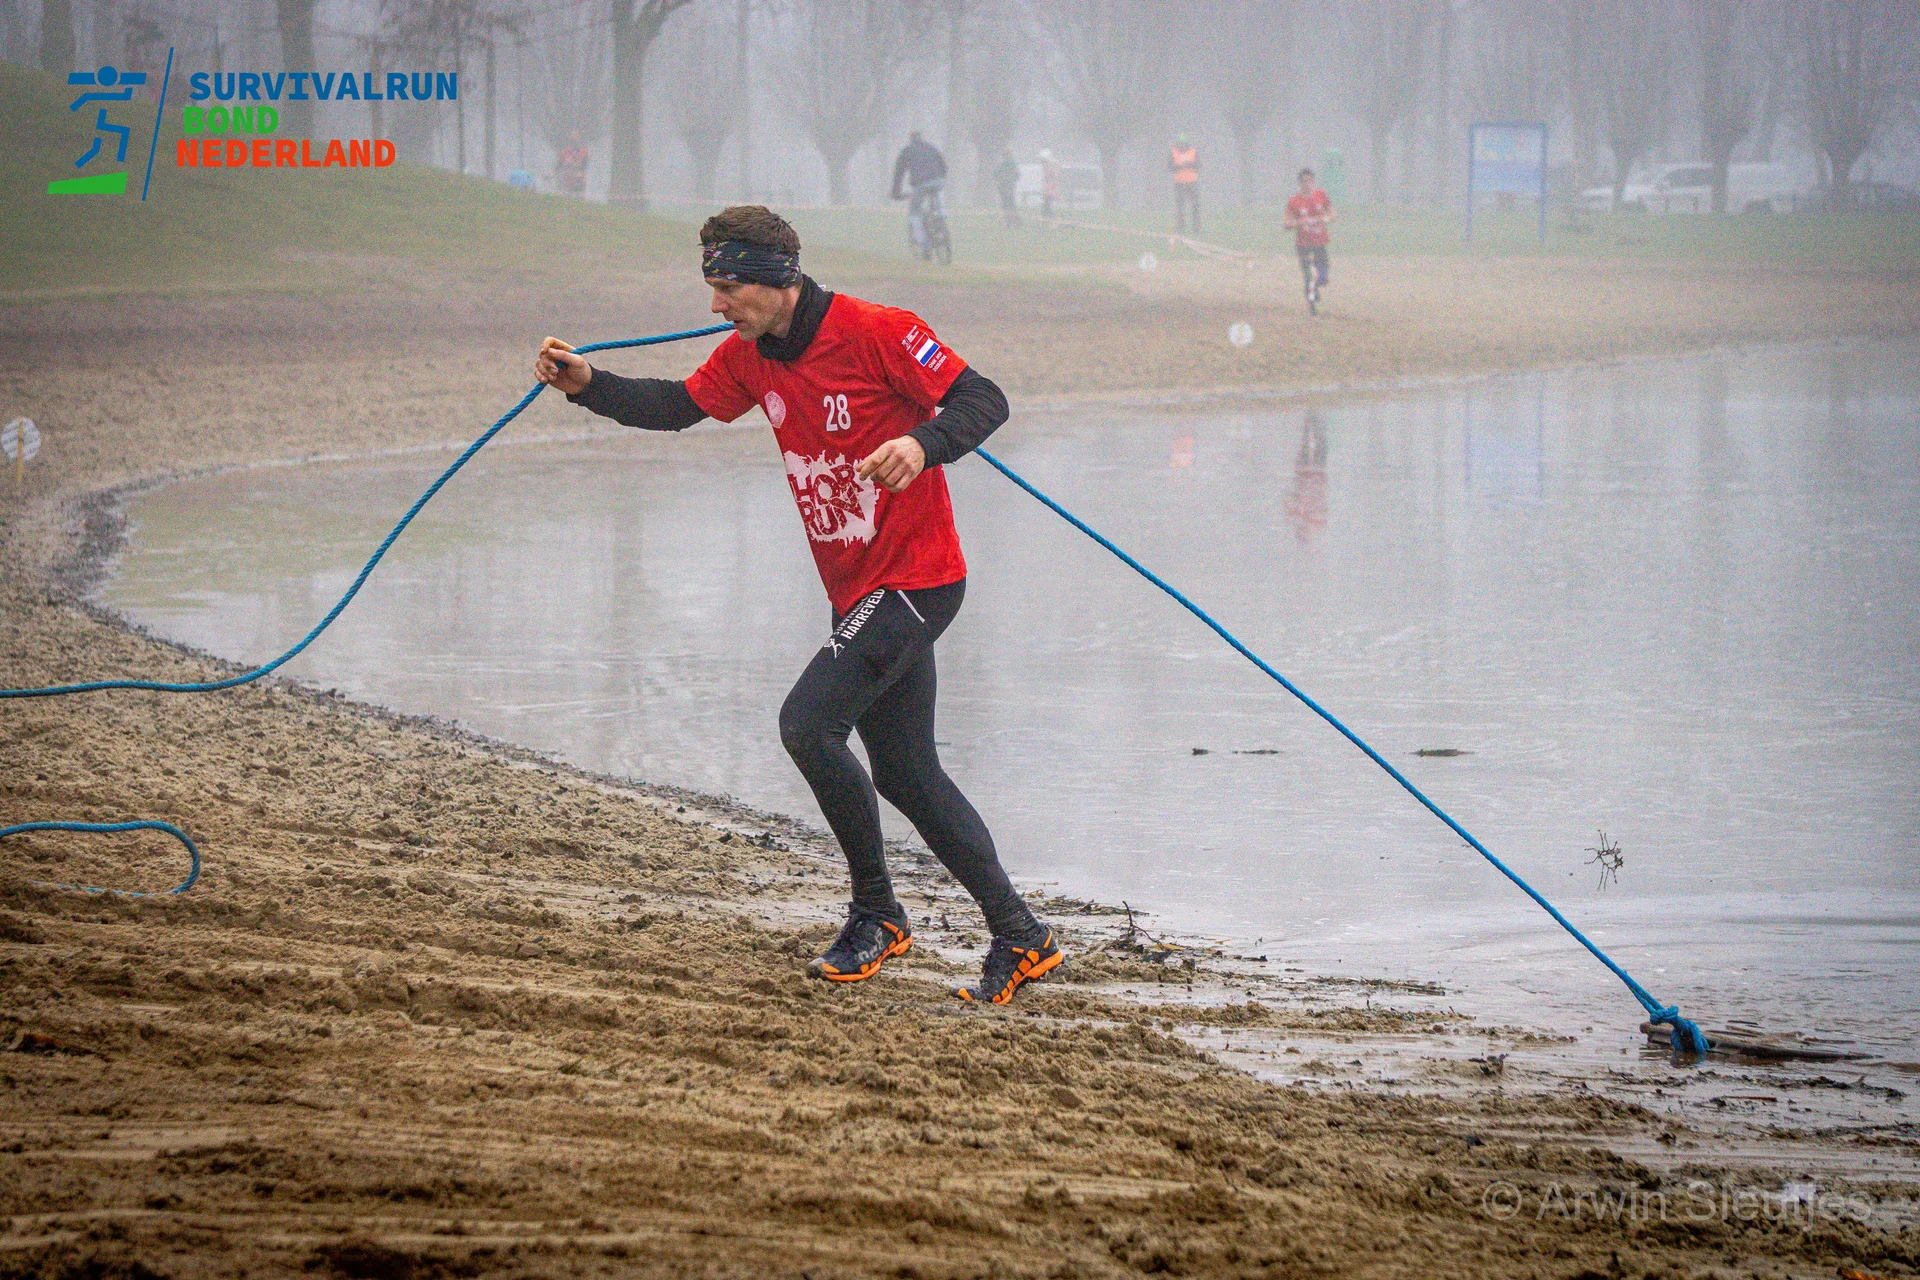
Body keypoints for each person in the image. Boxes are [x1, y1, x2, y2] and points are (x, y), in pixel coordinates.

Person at [532, 206, 1064, 1005]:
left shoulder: (878, 330)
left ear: (779, 279)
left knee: (808, 725)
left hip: (916, 580)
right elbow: (680, 405)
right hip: (859, 591)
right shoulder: (750, 356)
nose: (717, 305)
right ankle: (1022, 936)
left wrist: (922, 444)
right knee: (908, 774)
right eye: (710, 287)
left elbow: (983, 399)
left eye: (730, 287)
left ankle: (878, 915)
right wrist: (588, 387)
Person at [890, 130, 949, 248]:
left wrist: (896, 192)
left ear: (910, 139)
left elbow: (899, 173)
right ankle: (941, 215)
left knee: (914, 213)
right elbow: (944, 165)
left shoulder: (906, 151)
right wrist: (941, 176)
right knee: (937, 196)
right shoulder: (931, 147)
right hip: (938, 180)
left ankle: (924, 242)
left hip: (920, 183)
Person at [1284, 167, 1334, 306]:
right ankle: (1312, 310)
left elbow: (1332, 213)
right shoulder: (1294, 201)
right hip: (1303, 244)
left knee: (1323, 277)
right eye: (1304, 181)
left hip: (1320, 242)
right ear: (1300, 183)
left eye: (1310, 181)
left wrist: (1327, 219)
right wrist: (1298, 223)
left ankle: (1313, 287)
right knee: (1309, 276)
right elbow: (1287, 223)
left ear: (1313, 182)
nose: (1307, 184)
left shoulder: (1321, 195)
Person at [1169, 134, 1200, 234]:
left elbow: (1199, 164)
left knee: (1194, 206)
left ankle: (1196, 228)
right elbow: (1169, 166)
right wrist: (1178, 166)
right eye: (1180, 144)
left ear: (1186, 144)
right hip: (1179, 183)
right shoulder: (1173, 153)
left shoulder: (1193, 152)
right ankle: (1180, 228)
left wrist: (1189, 164)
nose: (1181, 146)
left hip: (1192, 182)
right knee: (1180, 207)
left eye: (1183, 144)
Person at [993, 147, 1021, 228]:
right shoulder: (1012, 164)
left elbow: (995, 175)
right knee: (1011, 204)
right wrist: (1012, 180)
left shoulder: (1002, 164)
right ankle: (1014, 221)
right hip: (1009, 186)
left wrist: (999, 181)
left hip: (1003, 187)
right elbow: (1017, 175)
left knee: (1005, 204)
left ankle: (1009, 222)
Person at [556, 130, 589, 199]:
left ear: (579, 138)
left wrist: (581, 173)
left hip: (579, 181)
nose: (574, 138)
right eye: (572, 137)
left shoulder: (584, 151)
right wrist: (554, 173)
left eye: (576, 137)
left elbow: (585, 165)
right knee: (566, 198)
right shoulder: (566, 151)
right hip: (567, 180)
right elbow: (559, 164)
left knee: (579, 198)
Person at [1038, 148, 1060, 221]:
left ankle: (1052, 221)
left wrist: (1048, 190)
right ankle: (1047, 221)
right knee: (1046, 207)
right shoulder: (1047, 167)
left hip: (1050, 191)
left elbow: (1053, 180)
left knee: (1048, 207)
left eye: (1042, 160)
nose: (1041, 162)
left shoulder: (1051, 168)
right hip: (1048, 191)